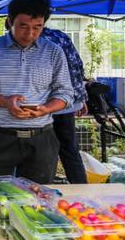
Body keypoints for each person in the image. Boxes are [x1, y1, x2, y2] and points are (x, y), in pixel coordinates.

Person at [0, 0, 73, 184]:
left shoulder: (53, 51)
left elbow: (66, 93)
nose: (30, 33)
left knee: (37, 199)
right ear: (10, 22)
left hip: (41, 137)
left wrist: (46, 109)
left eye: (37, 27)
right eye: (23, 26)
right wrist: (5, 102)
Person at [41, 27, 89, 184]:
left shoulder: (32, 41)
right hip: (66, 104)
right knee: (69, 150)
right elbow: (76, 67)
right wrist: (80, 98)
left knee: (44, 153)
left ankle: (44, 195)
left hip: (42, 107)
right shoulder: (60, 36)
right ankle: (81, 190)